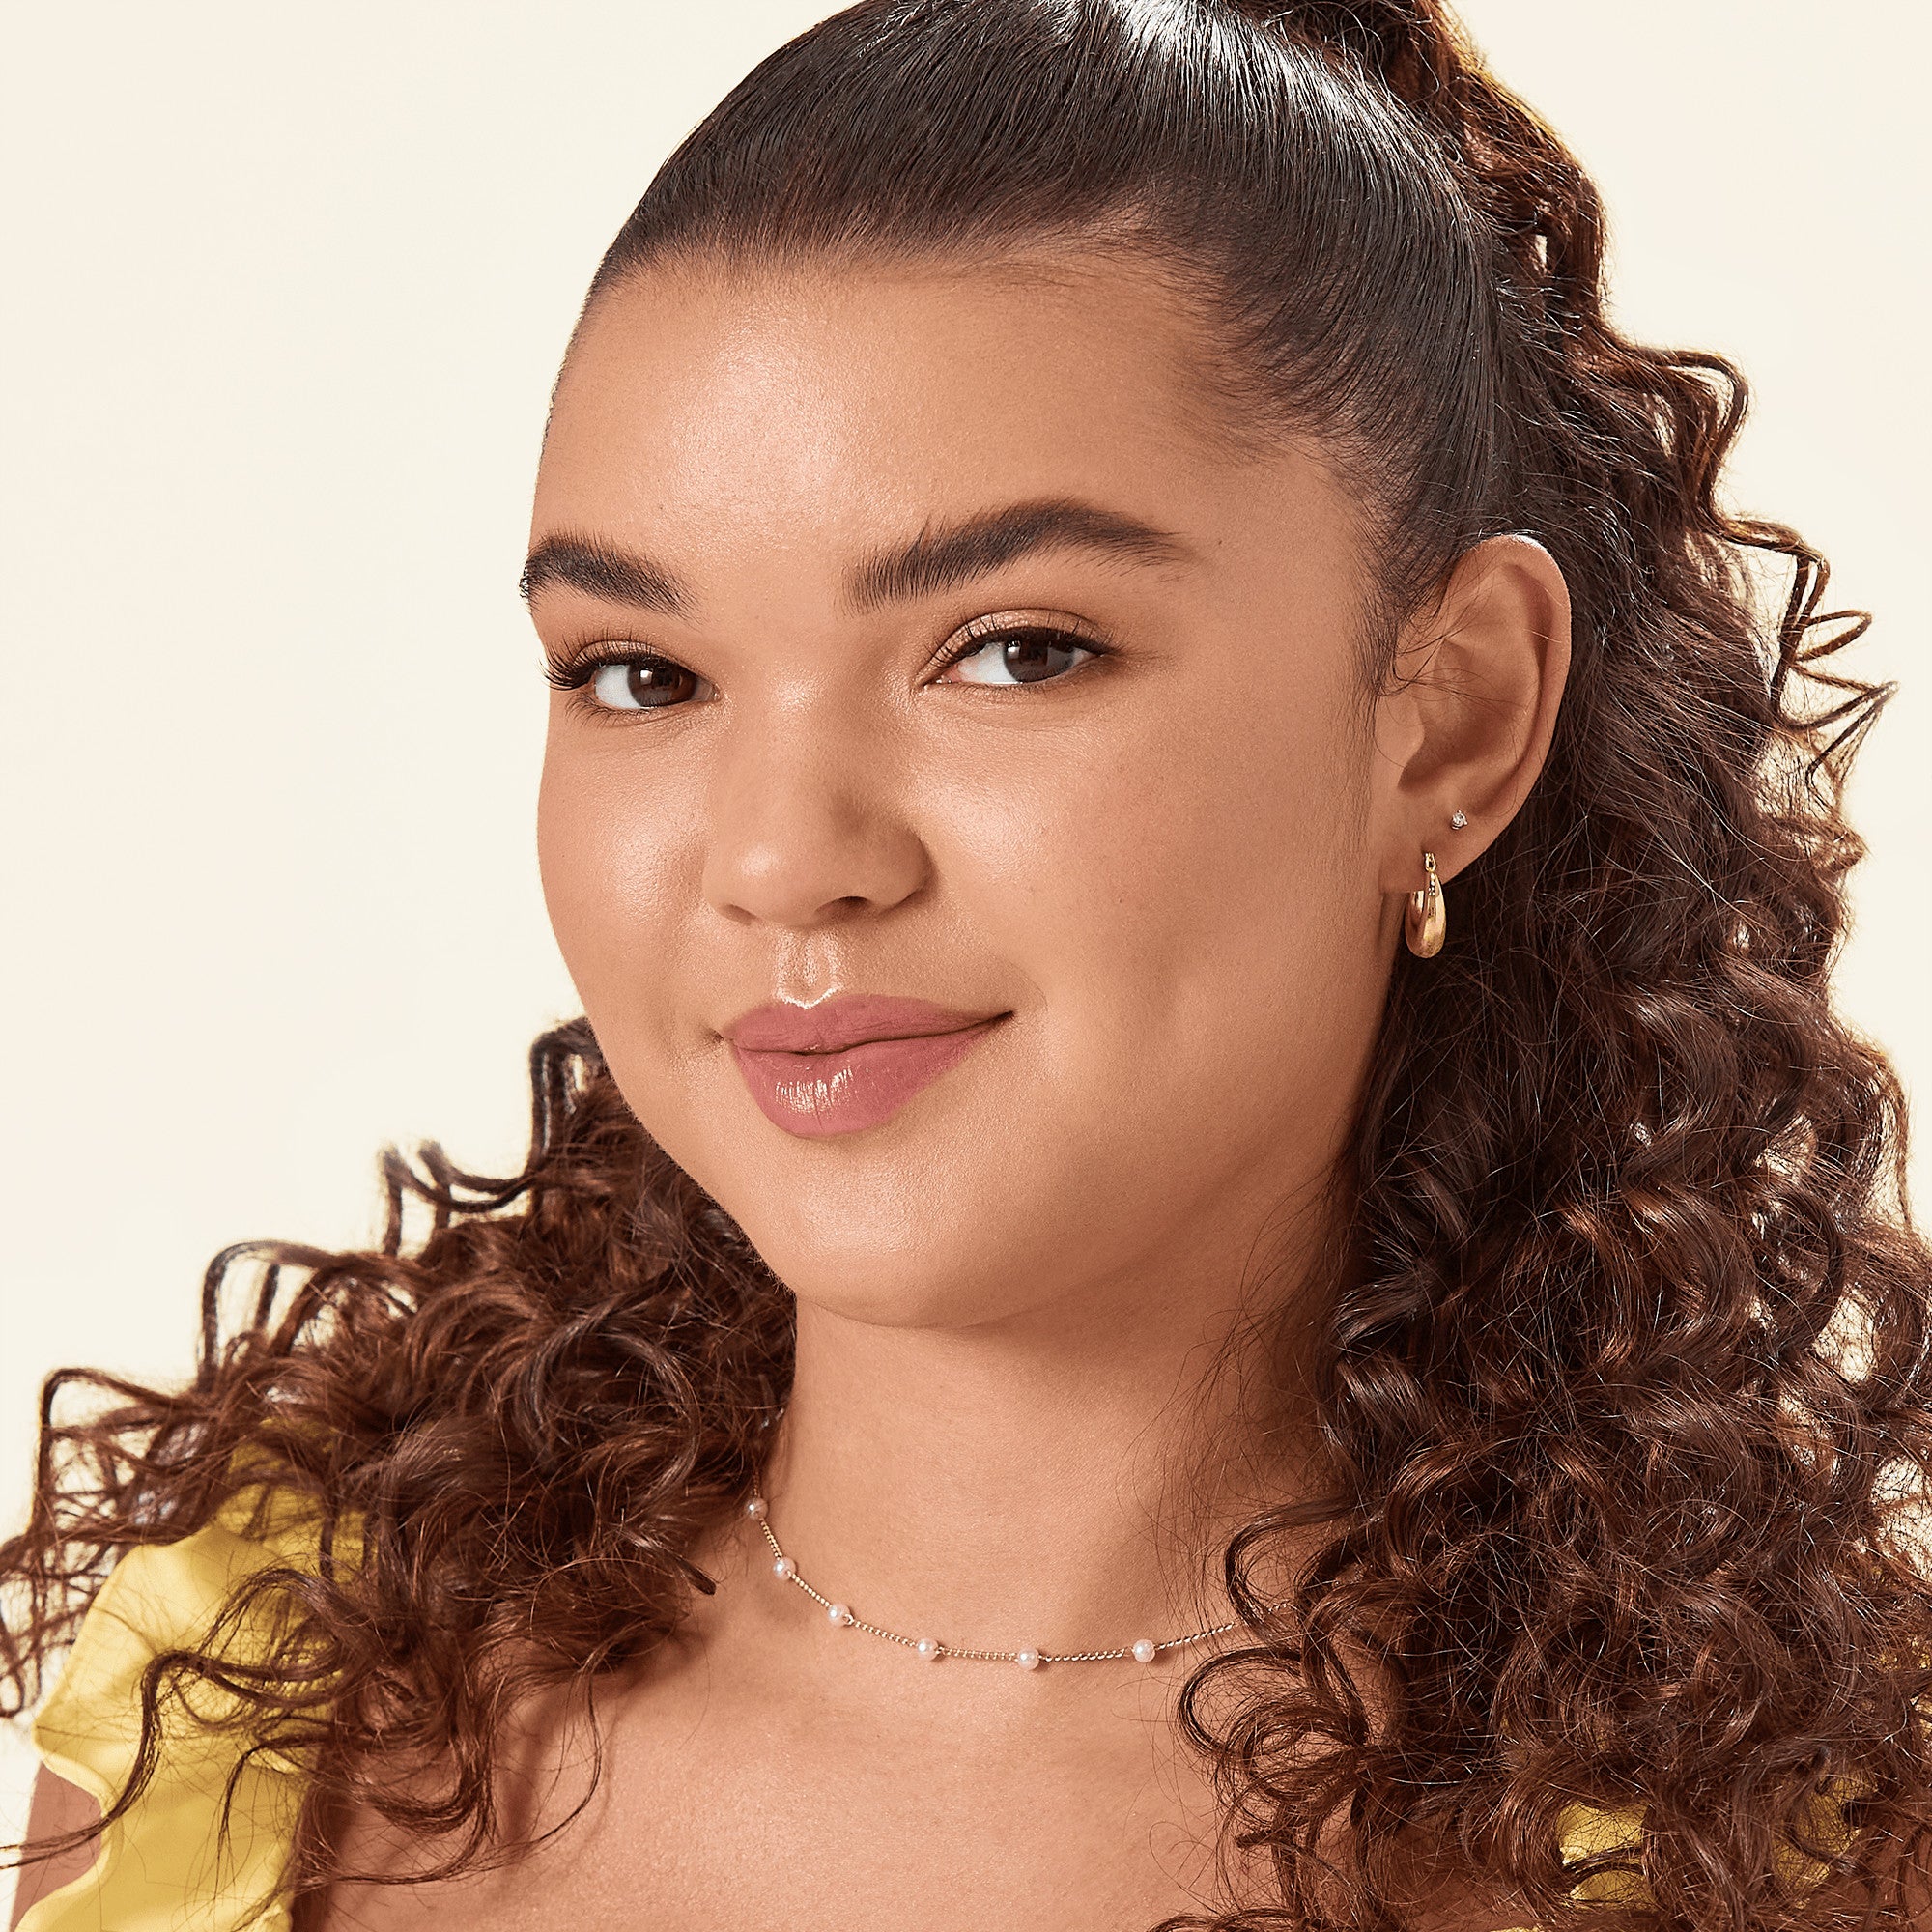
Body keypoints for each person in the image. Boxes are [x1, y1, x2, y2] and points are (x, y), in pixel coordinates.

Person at [8, 2, 1931, 1927]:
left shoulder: (1772, 1868)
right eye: (640, 675)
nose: (782, 858)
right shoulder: (260, 1695)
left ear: (1451, 714)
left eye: (1013, 648)